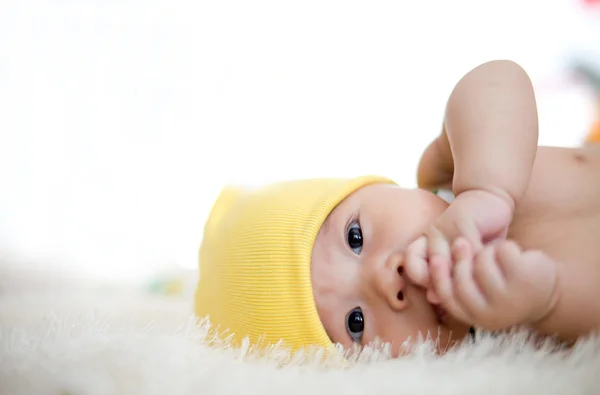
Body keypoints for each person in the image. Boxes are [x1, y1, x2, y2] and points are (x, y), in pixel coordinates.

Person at [195, 60, 600, 357]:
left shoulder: (447, 170)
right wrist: (548, 302)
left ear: (377, 187)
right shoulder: (505, 338)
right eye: (356, 323)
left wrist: (485, 190)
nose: (386, 278)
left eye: (355, 238)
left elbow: (498, 79)